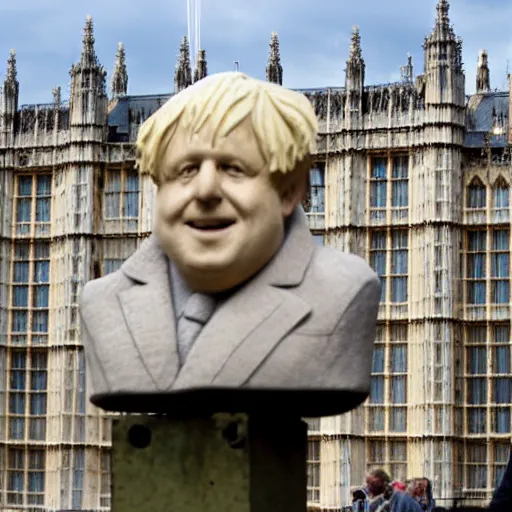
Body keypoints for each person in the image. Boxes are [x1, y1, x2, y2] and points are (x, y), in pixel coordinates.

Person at [79, 71, 381, 416]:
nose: (206, 191)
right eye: (186, 169)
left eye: (234, 168)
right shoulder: (102, 302)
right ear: (159, 188)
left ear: (289, 192)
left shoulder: (344, 292)